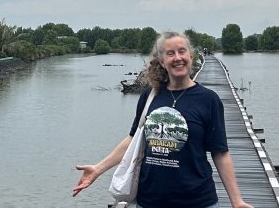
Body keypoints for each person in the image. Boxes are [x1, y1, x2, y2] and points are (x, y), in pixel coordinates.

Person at [73, 31, 253, 208]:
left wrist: (236, 201)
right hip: (150, 200)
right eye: (170, 53)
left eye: (182, 51)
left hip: (197, 200)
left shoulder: (209, 100)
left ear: (191, 55)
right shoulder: (150, 96)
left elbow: (220, 152)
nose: (177, 58)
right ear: (162, 61)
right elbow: (133, 138)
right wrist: (98, 169)